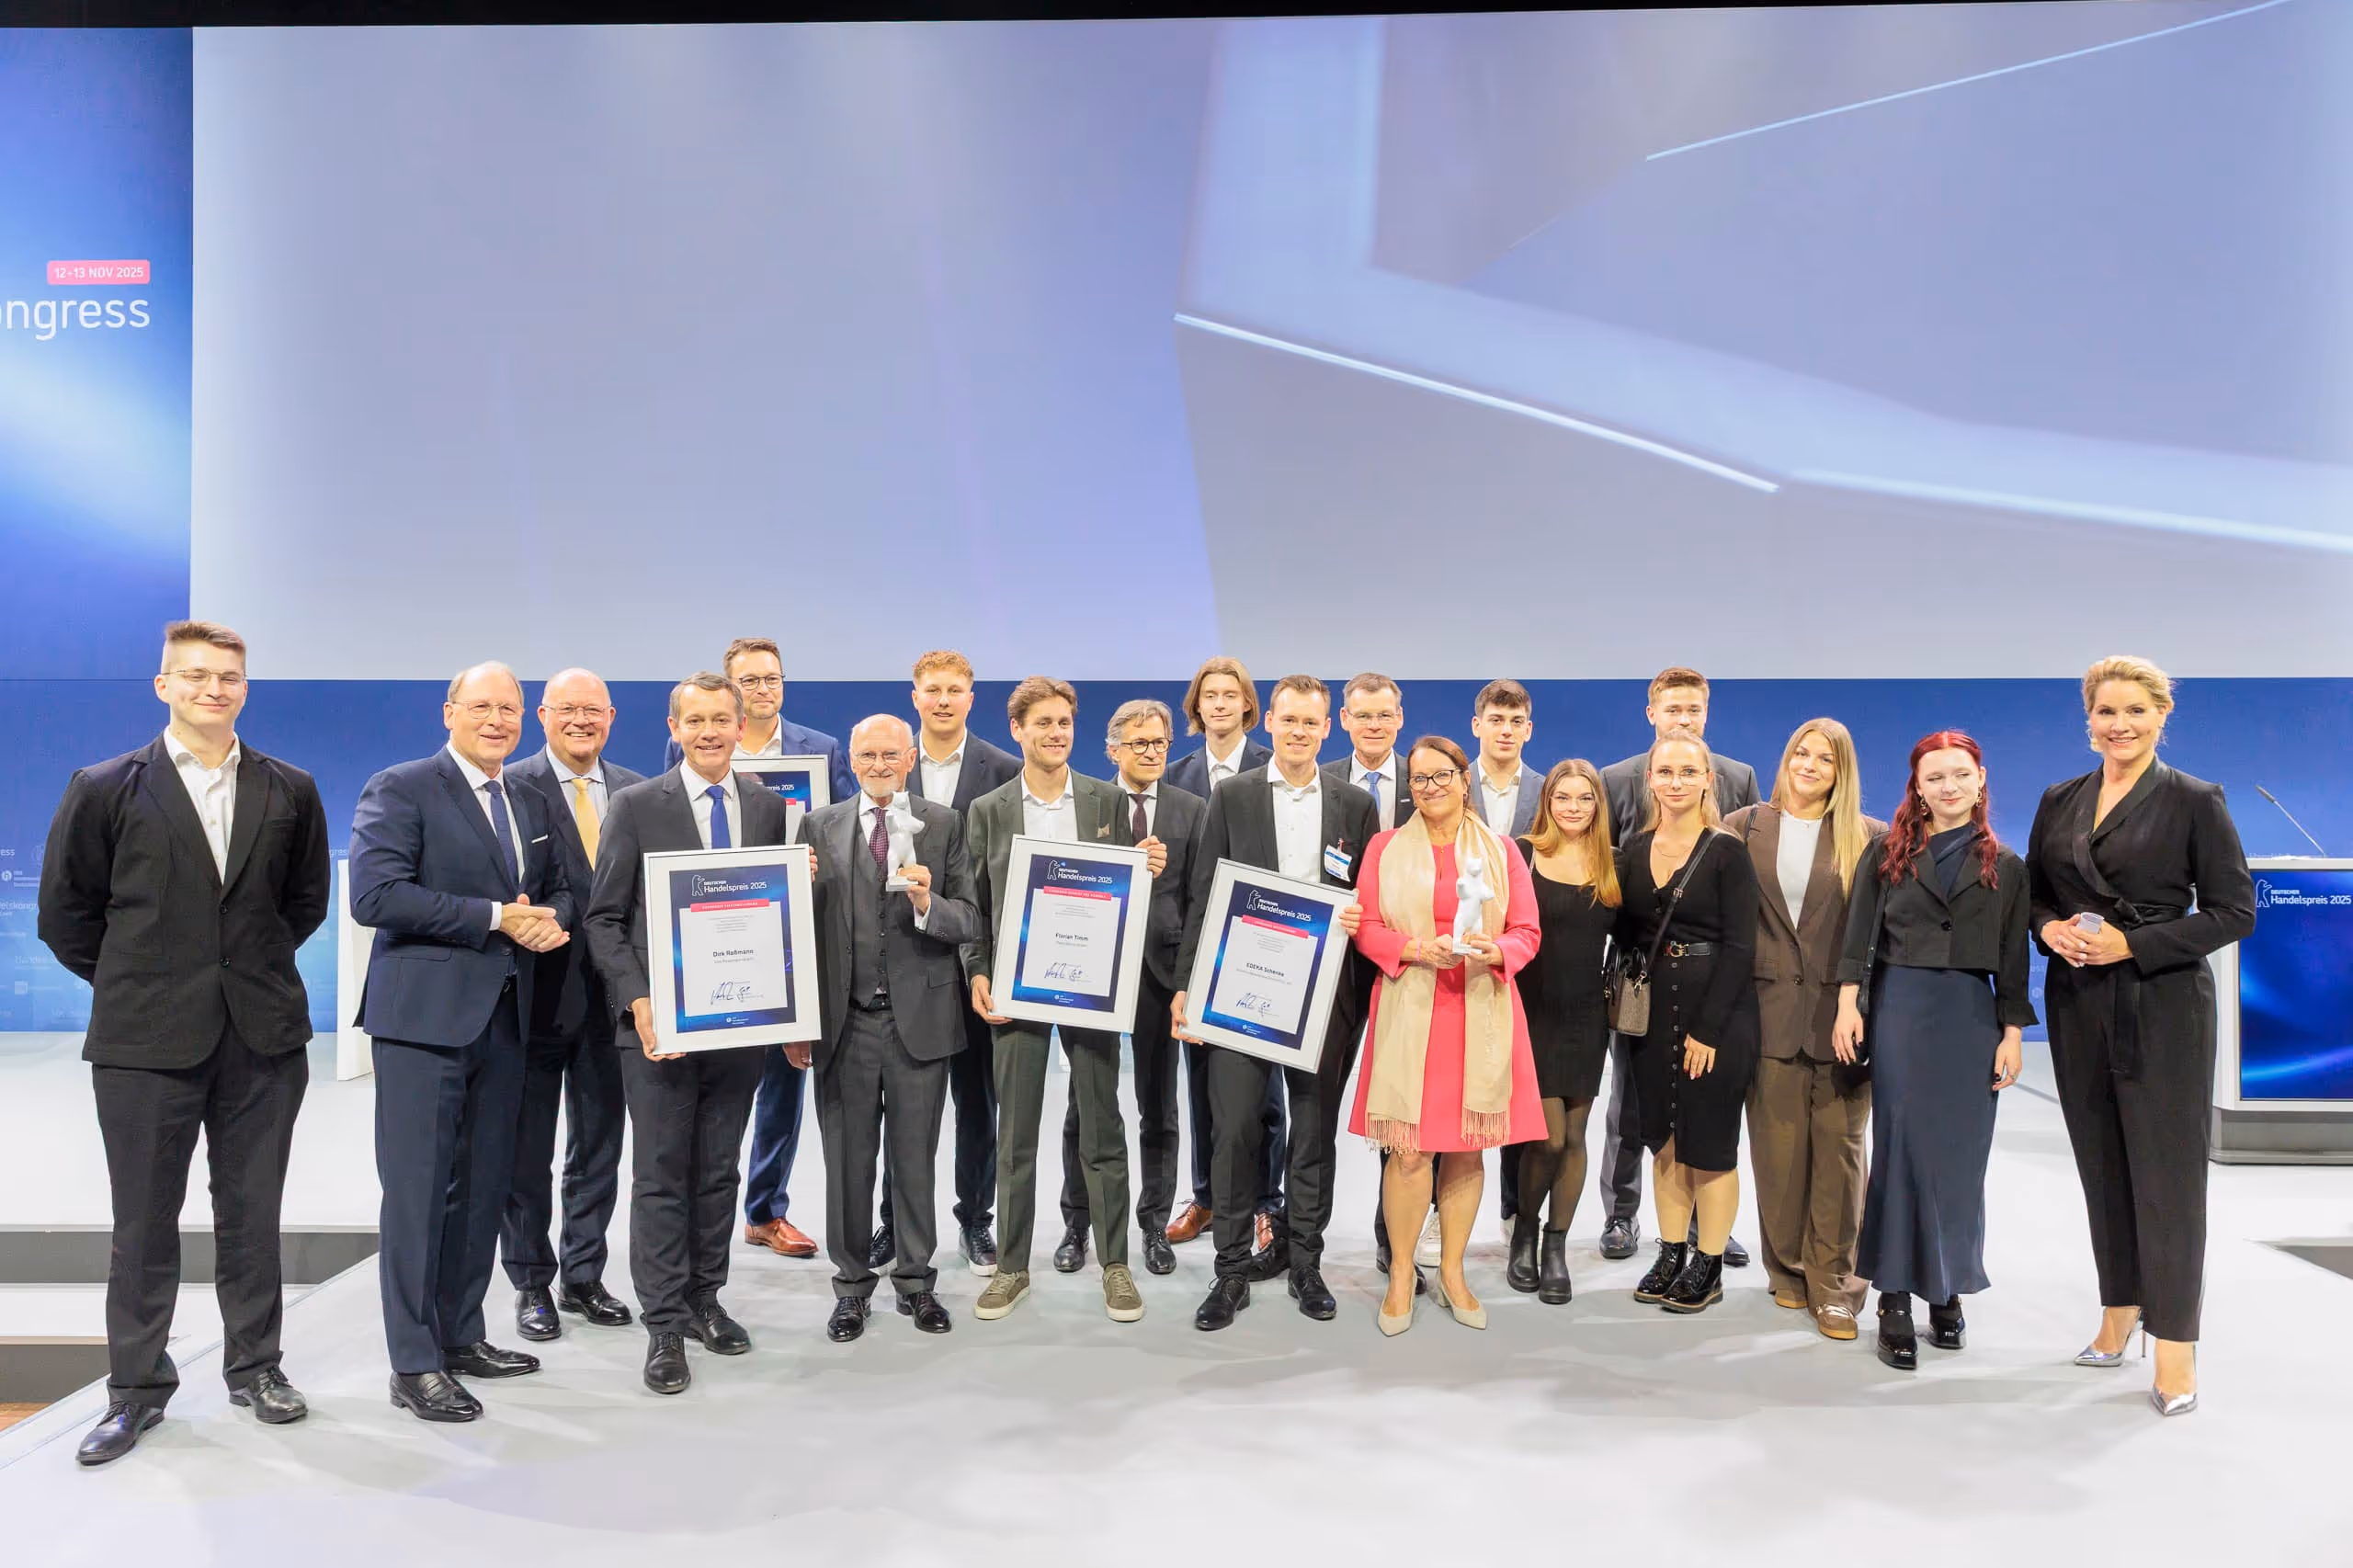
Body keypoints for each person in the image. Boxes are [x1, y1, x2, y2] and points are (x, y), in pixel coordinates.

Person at [37, 620, 331, 1466]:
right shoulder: (104, 787)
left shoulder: (291, 788)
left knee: (252, 1216)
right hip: (143, 1041)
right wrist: (145, 981)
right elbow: (66, 915)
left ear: (245, 689)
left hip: (261, 1038)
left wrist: (239, 974)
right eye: (195, 675)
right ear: (164, 685)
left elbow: (303, 903)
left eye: (228, 677)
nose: (213, 688)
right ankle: (135, 1391)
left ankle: (257, 1369)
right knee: (142, 1222)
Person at [2027, 657, 2254, 1416]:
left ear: (2162, 716)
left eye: (2134, 711)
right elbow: (2035, 897)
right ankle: (2119, 1310)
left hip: (2163, 1006)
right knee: (2102, 1165)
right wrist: (2049, 930)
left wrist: (2134, 945)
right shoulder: (2060, 799)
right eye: (2105, 712)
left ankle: (2176, 1344)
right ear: (2087, 720)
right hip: (2078, 1002)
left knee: (2168, 1178)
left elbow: (2233, 912)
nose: (2118, 725)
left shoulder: (2194, 800)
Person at [351, 661, 574, 1423]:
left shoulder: (530, 797)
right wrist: (495, 918)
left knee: (482, 1191)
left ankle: (461, 1336)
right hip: (422, 1024)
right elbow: (377, 895)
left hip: (507, 1020)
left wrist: (550, 919)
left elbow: (558, 885)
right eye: (481, 706)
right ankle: (414, 1364)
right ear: (449, 711)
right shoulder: (402, 787)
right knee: (418, 1195)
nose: (496, 720)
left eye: (509, 708)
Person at [585, 673, 792, 1395]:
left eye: (720, 719)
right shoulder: (637, 805)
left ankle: (707, 1298)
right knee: (662, 1173)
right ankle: (665, 1324)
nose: (709, 732)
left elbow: (775, 916)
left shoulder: (767, 807)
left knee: (719, 1169)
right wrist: (638, 998)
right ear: (673, 729)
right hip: (659, 1030)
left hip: (740, 1025)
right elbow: (603, 919)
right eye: (695, 720)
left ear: (741, 726)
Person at [1174, 676, 1380, 1329]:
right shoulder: (1232, 796)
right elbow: (1204, 894)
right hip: (1241, 989)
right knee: (1235, 1129)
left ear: (1327, 728)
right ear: (1271, 723)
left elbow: (1367, 897)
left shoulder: (1355, 805)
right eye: (1288, 720)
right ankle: (1231, 1269)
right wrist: (1187, 985)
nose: (1298, 732)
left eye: (1310, 722)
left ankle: (1305, 1263)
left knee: (1313, 1133)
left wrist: (1362, 921)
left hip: (1325, 997)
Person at [1834, 732, 2032, 1371]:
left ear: (1980, 780)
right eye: (1935, 777)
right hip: (1902, 1009)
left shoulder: (2007, 864)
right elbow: (1858, 935)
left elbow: (2013, 959)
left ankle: (1946, 1288)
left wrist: (2011, 1033)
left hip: (1971, 1018)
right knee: (1902, 1153)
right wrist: (1848, 1004)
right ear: (1917, 788)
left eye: (1960, 775)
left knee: (1959, 1161)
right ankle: (1893, 1295)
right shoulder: (1887, 853)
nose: (1949, 787)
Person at [664, 637, 849, 1267]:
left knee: (782, 1081)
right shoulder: (696, 743)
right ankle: (695, 1213)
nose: (763, 688)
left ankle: (765, 1211)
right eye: (749, 680)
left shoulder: (821, 750)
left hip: (786, 934)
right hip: (706, 936)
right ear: (730, 689)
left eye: (772, 678)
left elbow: (842, 830)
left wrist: (816, 866)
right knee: (704, 1088)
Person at [962, 677, 1144, 1323]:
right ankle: (1011, 1268)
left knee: (1103, 1126)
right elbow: (975, 904)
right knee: (1015, 1134)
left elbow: (1123, 897)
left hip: (1091, 990)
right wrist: (978, 971)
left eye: (1064, 722)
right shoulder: (988, 809)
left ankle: (1116, 1264)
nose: (1056, 733)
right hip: (1019, 988)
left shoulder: (1106, 801)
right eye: (1042, 722)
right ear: (1017, 730)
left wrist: (1143, 873)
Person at [1351, 738, 1545, 1335]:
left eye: (1442, 776)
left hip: (1479, 1011)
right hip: (1411, 1012)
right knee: (1409, 1151)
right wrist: (1415, 948)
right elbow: (1367, 928)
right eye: (1419, 779)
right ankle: (1401, 1273)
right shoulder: (1384, 848)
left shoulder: (1503, 851)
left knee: (1466, 1149)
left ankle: (1454, 1272)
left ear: (1465, 780)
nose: (1431, 787)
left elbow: (1527, 931)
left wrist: (1497, 950)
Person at [799, 716, 983, 1342]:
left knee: (914, 1162)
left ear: (910, 759)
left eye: (890, 755)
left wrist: (928, 903)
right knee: (847, 1166)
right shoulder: (817, 825)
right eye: (867, 755)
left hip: (920, 1026)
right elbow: (799, 923)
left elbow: (970, 919)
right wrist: (799, 1020)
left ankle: (916, 1283)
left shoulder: (945, 823)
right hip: (843, 1026)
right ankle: (851, 1289)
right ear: (851, 761)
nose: (878, 765)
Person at [1723, 720, 1882, 1342]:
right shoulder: (1742, 828)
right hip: (1766, 1017)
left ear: (1843, 772)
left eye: (1825, 759)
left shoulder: (1869, 838)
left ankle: (1836, 1285)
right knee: (1778, 1156)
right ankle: (1787, 1270)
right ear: (1786, 758)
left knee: (1840, 1156)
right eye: (1801, 753)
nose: (1810, 765)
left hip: (1845, 1020)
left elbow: (1879, 937)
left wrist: (1860, 1002)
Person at [496, 668, 642, 1344]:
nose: (581, 720)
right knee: (526, 1151)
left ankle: (583, 1275)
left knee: (600, 1145)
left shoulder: (639, 791)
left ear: (611, 717)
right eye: (567, 709)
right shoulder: (509, 786)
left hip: (613, 1001)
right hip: (531, 998)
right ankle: (531, 1281)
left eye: (593, 710)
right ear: (543, 716)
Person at [1597, 666, 1760, 1266]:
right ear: (1652, 715)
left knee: (1707, 1120)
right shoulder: (1615, 781)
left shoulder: (1739, 784)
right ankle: (1622, 1213)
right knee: (1633, 1107)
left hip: (1709, 983)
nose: (1683, 719)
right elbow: (1610, 882)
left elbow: (1739, 916)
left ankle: (1704, 1229)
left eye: (1693, 709)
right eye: (1673, 709)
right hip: (1644, 982)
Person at [1056, 700, 1206, 1278]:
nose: (1150, 752)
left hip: (1161, 975)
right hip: (1095, 967)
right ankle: (1078, 1222)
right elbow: (1069, 875)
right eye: (1138, 743)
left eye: (1159, 742)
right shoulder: (1088, 803)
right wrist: (1122, 862)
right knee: (1084, 1104)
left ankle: (1153, 1223)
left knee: (1159, 1106)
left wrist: (1186, 983)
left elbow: (1198, 901)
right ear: (1112, 749)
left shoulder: (1192, 809)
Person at [892, 650, 1022, 1276]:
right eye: (933, 690)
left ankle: (975, 1220)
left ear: (972, 698)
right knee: (902, 1109)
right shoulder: (889, 762)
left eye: (955, 690)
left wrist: (985, 963)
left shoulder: (1004, 770)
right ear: (915, 696)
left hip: (977, 963)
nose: (943, 700)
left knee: (978, 1104)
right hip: (905, 962)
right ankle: (893, 1222)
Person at [1164, 655, 1284, 1256]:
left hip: (1261, 945)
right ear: (1197, 706)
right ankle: (1207, 1197)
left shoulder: (1273, 767)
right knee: (1201, 1081)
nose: (1218, 703)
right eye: (1208, 694)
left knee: (1265, 1089)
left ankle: (1266, 1202)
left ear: (1247, 705)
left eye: (1229, 694)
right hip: (1198, 946)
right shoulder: (1176, 774)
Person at [1326, 673, 1427, 1278]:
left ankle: (1396, 1236)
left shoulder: (1426, 779)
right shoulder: (1322, 781)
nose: (1374, 725)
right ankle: (1301, 1235)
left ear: (1400, 718)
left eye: (1384, 715)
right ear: (1344, 720)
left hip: (1409, 966)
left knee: (1403, 1109)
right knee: (1317, 1106)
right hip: (1335, 966)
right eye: (1362, 715)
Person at [1509, 759, 1620, 1305]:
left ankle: (1556, 1247)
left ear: (1597, 805)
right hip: (1531, 1014)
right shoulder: (1522, 854)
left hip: (1586, 1016)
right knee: (1546, 1139)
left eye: (1584, 799)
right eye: (1563, 798)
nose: (1573, 808)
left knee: (1575, 1139)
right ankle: (1524, 1233)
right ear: (1547, 802)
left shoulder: (1613, 863)